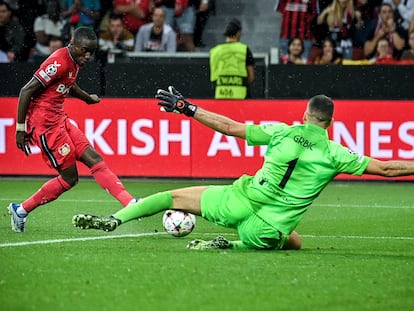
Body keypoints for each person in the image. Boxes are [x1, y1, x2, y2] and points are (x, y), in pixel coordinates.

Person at [72, 86, 414, 251]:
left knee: (170, 196)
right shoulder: (336, 154)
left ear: (305, 114)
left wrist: (187, 108)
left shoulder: (282, 131)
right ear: (330, 122)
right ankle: (232, 245)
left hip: (239, 200)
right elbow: (385, 169)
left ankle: (117, 219)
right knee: (291, 241)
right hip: (266, 229)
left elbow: (230, 127)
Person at [8, 27, 137, 233]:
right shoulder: (58, 61)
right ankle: (21, 210)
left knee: (94, 159)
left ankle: (131, 204)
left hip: (60, 120)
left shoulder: (74, 61)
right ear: (73, 44)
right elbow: (27, 90)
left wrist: (86, 98)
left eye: (91, 52)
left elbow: (68, 83)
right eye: (85, 50)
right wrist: (20, 129)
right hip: (46, 126)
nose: (88, 56)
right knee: (70, 179)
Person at [209, 18, 255, 99]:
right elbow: (251, 76)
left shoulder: (215, 51)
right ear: (238, 33)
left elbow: (213, 76)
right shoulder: (244, 49)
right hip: (241, 95)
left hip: (220, 94)